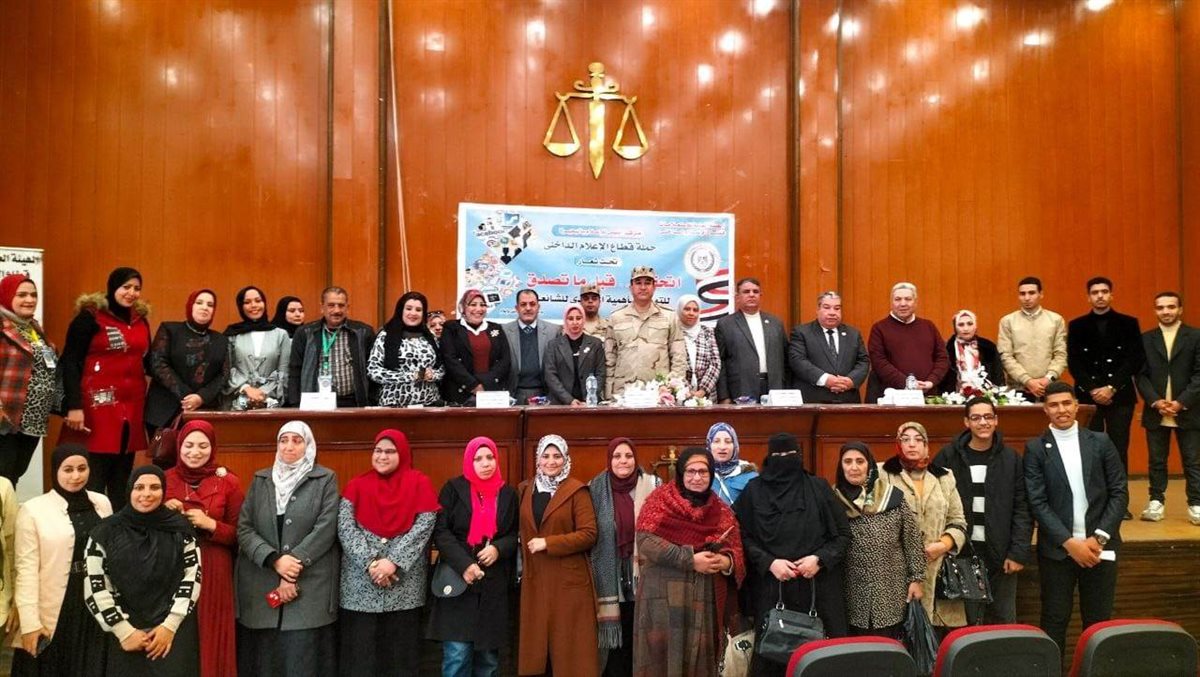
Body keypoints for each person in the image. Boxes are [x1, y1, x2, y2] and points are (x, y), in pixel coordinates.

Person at [1024, 381, 1128, 656]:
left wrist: (1099, 538)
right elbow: (1037, 502)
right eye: (1054, 405)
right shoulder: (1035, 449)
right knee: (1055, 620)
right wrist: (1070, 543)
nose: (1061, 409)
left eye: (1066, 403)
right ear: (1045, 410)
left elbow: (1119, 492)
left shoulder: (1101, 441)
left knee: (1098, 623)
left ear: (1076, 405)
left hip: (1100, 549)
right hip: (1058, 552)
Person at [733, 433, 850, 676]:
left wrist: (819, 559)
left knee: (821, 661)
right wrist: (769, 562)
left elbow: (843, 535)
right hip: (772, 589)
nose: (784, 460)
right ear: (769, 458)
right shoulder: (754, 491)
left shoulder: (818, 488)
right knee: (773, 663)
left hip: (818, 589)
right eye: (778, 455)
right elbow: (741, 536)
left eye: (790, 454)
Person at [236, 421, 339, 677]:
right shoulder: (261, 480)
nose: (289, 446)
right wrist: (274, 560)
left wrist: (291, 568)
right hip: (262, 587)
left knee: (301, 663)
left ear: (309, 445)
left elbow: (326, 528)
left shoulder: (325, 479)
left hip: (309, 589)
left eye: (297, 440)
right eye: (283, 440)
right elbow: (245, 528)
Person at [632, 447, 745, 677]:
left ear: (711, 475)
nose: (697, 477)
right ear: (681, 474)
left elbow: (736, 551)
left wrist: (725, 562)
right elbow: (645, 542)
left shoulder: (721, 511)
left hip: (703, 600)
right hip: (661, 600)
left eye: (703, 472)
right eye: (691, 471)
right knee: (661, 662)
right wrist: (689, 560)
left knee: (699, 662)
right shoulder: (660, 501)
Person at [338, 429, 440, 677]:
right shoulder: (356, 485)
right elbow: (345, 528)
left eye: (390, 451)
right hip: (360, 588)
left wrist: (393, 562)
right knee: (360, 659)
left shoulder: (420, 483)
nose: (382, 456)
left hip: (403, 588)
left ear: (402, 453)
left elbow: (425, 524)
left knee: (400, 659)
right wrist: (372, 564)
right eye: (378, 450)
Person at [83, 465, 201, 677]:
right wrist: (123, 630)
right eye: (139, 487)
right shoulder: (105, 532)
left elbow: (192, 578)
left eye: (154, 487)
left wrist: (169, 626)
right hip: (125, 636)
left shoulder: (180, 530)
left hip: (172, 634)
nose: (146, 494)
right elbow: (95, 584)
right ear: (129, 490)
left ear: (163, 491)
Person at [10, 445, 112, 677]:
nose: (76, 476)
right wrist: (30, 623)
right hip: (55, 603)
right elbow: (26, 570)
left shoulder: (102, 502)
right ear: (55, 470)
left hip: (95, 597)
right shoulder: (33, 510)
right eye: (68, 470)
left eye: (82, 468)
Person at [933, 397, 1032, 625]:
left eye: (988, 417)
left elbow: (1022, 508)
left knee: (1003, 619)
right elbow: (936, 504)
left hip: (1002, 555)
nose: (983, 422)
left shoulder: (1011, 458)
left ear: (996, 420)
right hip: (964, 553)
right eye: (976, 418)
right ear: (967, 422)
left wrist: (1017, 552)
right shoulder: (948, 457)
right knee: (968, 621)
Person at [59, 267, 151, 508]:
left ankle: (118, 528)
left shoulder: (141, 320)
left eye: (137, 288)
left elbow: (149, 361)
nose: (131, 293)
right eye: (126, 287)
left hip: (131, 412)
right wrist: (74, 406)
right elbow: (70, 362)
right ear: (113, 287)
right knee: (94, 478)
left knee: (122, 480)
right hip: (96, 410)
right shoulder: (89, 317)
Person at [427, 436, 519, 677]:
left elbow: (514, 534)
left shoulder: (508, 494)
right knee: (457, 656)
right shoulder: (453, 489)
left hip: (492, 585)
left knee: (488, 661)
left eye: (490, 457)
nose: (485, 463)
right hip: (458, 581)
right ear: (469, 461)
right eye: (478, 458)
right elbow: (441, 532)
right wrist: (465, 565)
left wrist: (498, 548)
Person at [163, 421, 244, 677]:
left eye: (203, 446)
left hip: (214, 566)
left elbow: (241, 535)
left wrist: (211, 525)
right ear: (179, 446)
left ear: (213, 448)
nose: (195, 452)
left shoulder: (229, 482)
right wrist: (164, 513)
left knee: (212, 631)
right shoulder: (164, 479)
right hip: (173, 565)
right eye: (188, 445)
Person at [518, 434, 599, 676]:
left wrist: (548, 543)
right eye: (546, 456)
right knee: (537, 654)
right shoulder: (525, 489)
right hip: (535, 580)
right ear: (538, 459)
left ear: (566, 459)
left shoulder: (577, 491)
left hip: (568, 583)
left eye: (557, 456)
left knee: (570, 653)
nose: (551, 461)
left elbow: (589, 534)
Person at [880, 421, 968, 632]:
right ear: (898, 444)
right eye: (906, 439)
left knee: (935, 637)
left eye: (918, 440)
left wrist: (943, 544)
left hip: (938, 567)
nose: (912, 444)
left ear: (927, 446)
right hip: (896, 568)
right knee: (901, 633)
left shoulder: (944, 477)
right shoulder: (882, 473)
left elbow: (958, 520)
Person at [832, 442, 925, 640]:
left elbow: (912, 540)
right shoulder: (833, 500)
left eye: (860, 461)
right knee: (856, 648)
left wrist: (916, 579)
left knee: (888, 648)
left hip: (891, 590)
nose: (854, 467)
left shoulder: (892, 496)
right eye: (847, 462)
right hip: (850, 592)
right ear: (841, 466)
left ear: (870, 465)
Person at [588, 438, 661, 677]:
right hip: (610, 576)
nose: (623, 461)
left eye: (628, 456)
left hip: (645, 575)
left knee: (640, 636)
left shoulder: (653, 486)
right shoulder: (595, 489)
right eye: (617, 456)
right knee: (617, 649)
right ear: (609, 460)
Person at [1068, 276, 1144, 492]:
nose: (1100, 296)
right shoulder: (1077, 325)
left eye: (1104, 292)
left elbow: (1134, 359)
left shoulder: (1129, 323)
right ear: (1088, 297)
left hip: (1120, 395)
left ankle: (1119, 497)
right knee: (1090, 448)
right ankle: (1094, 496)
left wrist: (1111, 387)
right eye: (1095, 292)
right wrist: (1093, 389)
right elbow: (1074, 362)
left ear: (1111, 295)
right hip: (1087, 397)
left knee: (1119, 448)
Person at [1136, 292, 1200, 523]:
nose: (1166, 311)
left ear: (1180, 309)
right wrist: (1156, 401)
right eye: (1161, 307)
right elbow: (1140, 376)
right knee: (1156, 461)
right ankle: (1156, 502)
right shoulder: (1145, 339)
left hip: (1189, 410)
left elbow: (1199, 374)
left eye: (1171, 307)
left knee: (1193, 461)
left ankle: (1196, 504)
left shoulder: (1195, 336)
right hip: (1157, 411)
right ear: (1155, 310)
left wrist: (1181, 402)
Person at [145, 289, 230, 435]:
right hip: (163, 411)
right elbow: (157, 363)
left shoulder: (221, 340)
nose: (205, 307)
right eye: (199, 302)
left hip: (203, 410)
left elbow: (224, 374)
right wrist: (187, 396)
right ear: (190, 305)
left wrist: (201, 397)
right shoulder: (169, 329)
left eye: (210, 305)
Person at [0, 274, 57, 486]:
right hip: (6, 417)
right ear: (7, 296)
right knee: (3, 477)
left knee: (14, 474)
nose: (30, 300)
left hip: (32, 419)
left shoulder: (32, 327)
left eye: (33, 295)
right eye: (22, 295)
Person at [604, 266, 687, 398]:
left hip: (659, 392)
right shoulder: (616, 318)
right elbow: (610, 359)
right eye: (638, 283)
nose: (643, 287)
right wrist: (609, 394)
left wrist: (673, 389)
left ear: (654, 287)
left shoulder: (669, 317)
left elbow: (679, 357)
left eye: (647, 283)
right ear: (631, 287)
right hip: (623, 394)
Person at [287, 286, 376, 407]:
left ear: (347, 308)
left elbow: (372, 370)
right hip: (316, 401)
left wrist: (371, 401)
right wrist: (295, 404)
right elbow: (295, 370)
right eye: (331, 305)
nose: (336, 310)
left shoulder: (363, 332)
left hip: (354, 402)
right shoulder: (305, 333)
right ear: (322, 307)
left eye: (341, 305)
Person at [866, 282, 949, 401]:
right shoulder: (879, 328)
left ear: (915, 302)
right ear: (891, 302)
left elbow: (942, 358)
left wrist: (931, 381)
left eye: (908, 299)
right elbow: (879, 362)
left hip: (927, 395)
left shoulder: (929, 326)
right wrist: (908, 383)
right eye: (898, 299)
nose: (903, 304)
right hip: (891, 399)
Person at [788, 291, 870, 404]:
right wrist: (825, 379)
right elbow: (798, 361)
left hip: (847, 399)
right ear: (817, 310)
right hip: (813, 401)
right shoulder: (802, 332)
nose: (832, 313)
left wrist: (850, 381)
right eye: (826, 307)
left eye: (837, 308)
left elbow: (863, 361)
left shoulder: (853, 334)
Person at [715, 278, 788, 403]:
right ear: (737, 297)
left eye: (755, 291)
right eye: (746, 291)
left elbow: (785, 359)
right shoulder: (725, 324)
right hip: (741, 389)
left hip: (774, 388)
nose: (751, 295)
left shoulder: (775, 323)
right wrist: (724, 396)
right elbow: (720, 362)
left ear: (760, 295)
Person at [369, 292, 445, 407]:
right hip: (394, 404)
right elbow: (373, 371)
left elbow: (442, 367)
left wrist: (433, 375)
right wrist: (410, 376)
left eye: (418, 310)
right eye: (409, 308)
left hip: (429, 403)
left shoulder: (430, 336)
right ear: (401, 310)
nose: (413, 313)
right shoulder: (385, 335)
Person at [997, 276, 1068, 400]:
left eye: (1031, 293)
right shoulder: (1008, 321)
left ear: (1041, 294)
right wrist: (1027, 380)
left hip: (1049, 387)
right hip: (1018, 389)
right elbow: (1005, 356)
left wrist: (1048, 378)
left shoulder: (1055, 320)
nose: (1027, 298)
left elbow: (1061, 354)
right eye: (1022, 294)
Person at [223, 286, 292, 410]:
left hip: (271, 401)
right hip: (238, 401)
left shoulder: (280, 335)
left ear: (264, 303)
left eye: (258, 301)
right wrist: (246, 389)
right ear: (241, 307)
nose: (254, 305)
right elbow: (227, 369)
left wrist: (263, 393)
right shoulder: (232, 334)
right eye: (247, 302)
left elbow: (284, 372)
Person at [441, 289, 512, 405]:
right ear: (463, 307)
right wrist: (473, 385)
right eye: (473, 304)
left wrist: (485, 384)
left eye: (482, 305)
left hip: (491, 392)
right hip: (460, 393)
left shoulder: (496, 328)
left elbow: (505, 359)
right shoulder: (451, 328)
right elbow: (450, 360)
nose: (479, 309)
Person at [503, 290, 562, 403]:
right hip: (513, 395)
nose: (528, 308)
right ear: (516, 308)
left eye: (532, 304)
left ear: (538, 307)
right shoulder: (504, 331)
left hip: (545, 395)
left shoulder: (554, 331)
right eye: (523, 304)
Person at [543, 303, 606, 406]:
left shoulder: (596, 344)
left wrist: (589, 398)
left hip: (589, 404)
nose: (575, 322)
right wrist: (569, 400)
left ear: (583, 320)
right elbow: (550, 376)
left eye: (578, 318)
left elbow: (600, 374)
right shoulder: (553, 345)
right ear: (565, 321)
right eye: (570, 319)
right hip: (561, 404)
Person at [939, 309, 1006, 395]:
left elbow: (998, 375)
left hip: (985, 395)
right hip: (955, 395)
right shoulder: (946, 349)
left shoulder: (988, 347)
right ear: (955, 328)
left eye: (970, 324)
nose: (966, 328)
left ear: (975, 326)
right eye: (961, 325)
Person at [676, 294, 720, 401]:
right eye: (687, 309)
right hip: (680, 393)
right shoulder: (673, 332)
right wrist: (687, 391)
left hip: (707, 396)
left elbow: (715, 363)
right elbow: (672, 364)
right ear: (679, 310)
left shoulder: (707, 332)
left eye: (695, 310)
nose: (691, 313)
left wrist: (702, 391)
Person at [708, 422, 757, 505]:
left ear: (735, 446)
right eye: (716, 441)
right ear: (709, 444)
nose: (722, 447)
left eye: (728, 441)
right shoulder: (702, 474)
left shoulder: (750, 476)